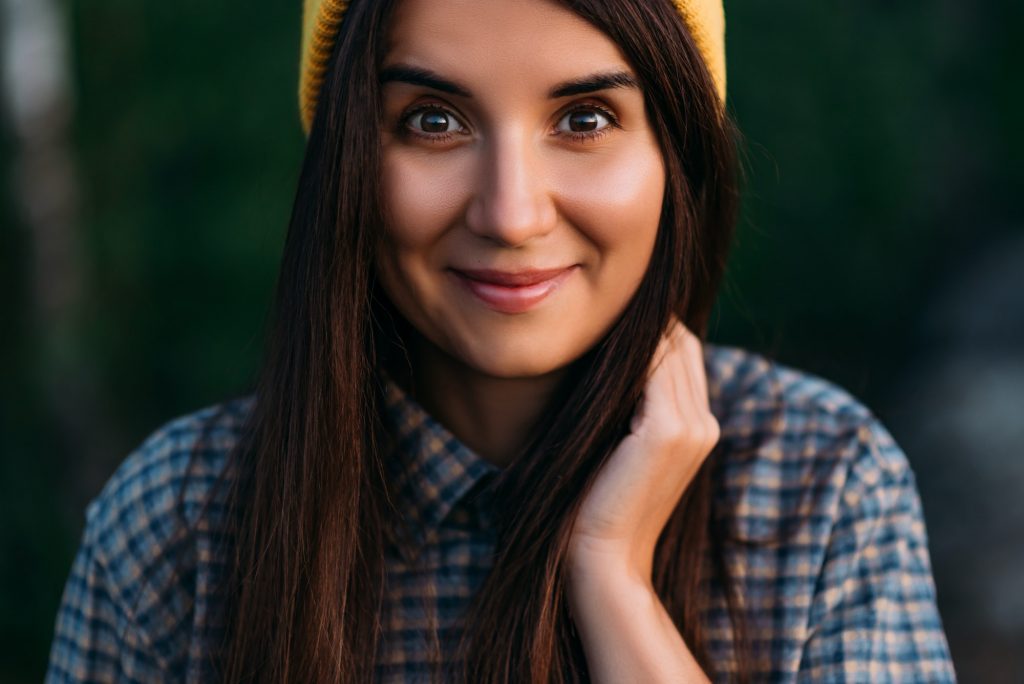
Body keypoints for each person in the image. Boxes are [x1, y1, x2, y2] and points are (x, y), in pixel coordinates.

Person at [45, 0, 957, 681]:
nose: (511, 214)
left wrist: (612, 580)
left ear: (677, 153)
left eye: (586, 119)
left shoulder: (822, 485)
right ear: (346, 160)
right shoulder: (180, 526)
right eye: (434, 121)